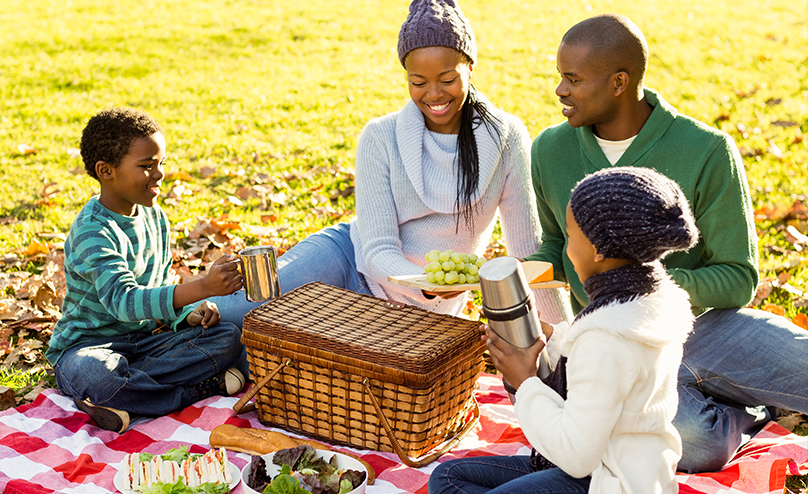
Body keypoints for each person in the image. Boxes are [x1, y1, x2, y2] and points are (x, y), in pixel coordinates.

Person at [525, 13, 808, 472]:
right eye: (560, 76)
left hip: (712, 329)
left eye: (572, 79)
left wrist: (643, 288)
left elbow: (738, 277)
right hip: (621, 348)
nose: (560, 89)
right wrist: (515, 276)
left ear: (619, 82)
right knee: (696, 443)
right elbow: (557, 245)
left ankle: (725, 385)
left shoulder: (706, 149)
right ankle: (748, 412)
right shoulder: (549, 150)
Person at [213, 0, 572, 327]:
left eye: (448, 79)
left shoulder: (506, 137)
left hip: (420, 311)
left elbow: (526, 249)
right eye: (418, 82)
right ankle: (166, 322)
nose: (433, 94)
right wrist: (427, 284)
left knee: (290, 348)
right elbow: (377, 248)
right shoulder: (381, 137)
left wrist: (568, 336)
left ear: (470, 67)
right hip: (348, 261)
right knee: (230, 316)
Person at [428, 167, 698, 494]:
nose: (567, 248)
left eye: (571, 235)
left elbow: (575, 457)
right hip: (637, 469)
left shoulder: (607, 339)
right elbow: (604, 376)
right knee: (448, 479)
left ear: (598, 250)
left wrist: (524, 380)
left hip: (610, 482)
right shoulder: (645, 302)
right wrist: (555, 339)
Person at [46, 108, 248, 433]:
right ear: (105, 171)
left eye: (161, 163)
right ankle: (198, 389)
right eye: (146, 166)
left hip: (145, 343)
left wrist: (186, 315)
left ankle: (124, 399)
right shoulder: (92, 231)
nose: (159, 174)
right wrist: (203, 287)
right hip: (89, 348)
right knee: (95, 377)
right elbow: (125, 301)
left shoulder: (156, 218)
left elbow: (160, 286)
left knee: (227, 337)